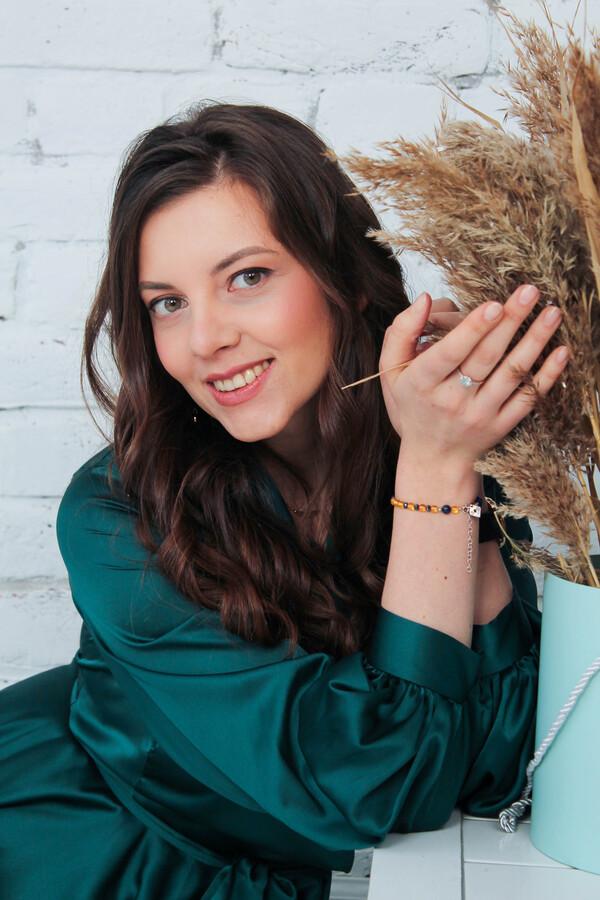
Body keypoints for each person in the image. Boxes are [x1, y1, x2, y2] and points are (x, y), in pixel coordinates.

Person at [0, 101, 569, 899]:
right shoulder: (114, 515)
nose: (204, 341)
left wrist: (445, 469)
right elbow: (375, 790)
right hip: (76, 847)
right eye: (167, 302)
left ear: (347, 279)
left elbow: (501, 768)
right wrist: (438, 472)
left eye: (247, 278)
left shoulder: (437, 447)